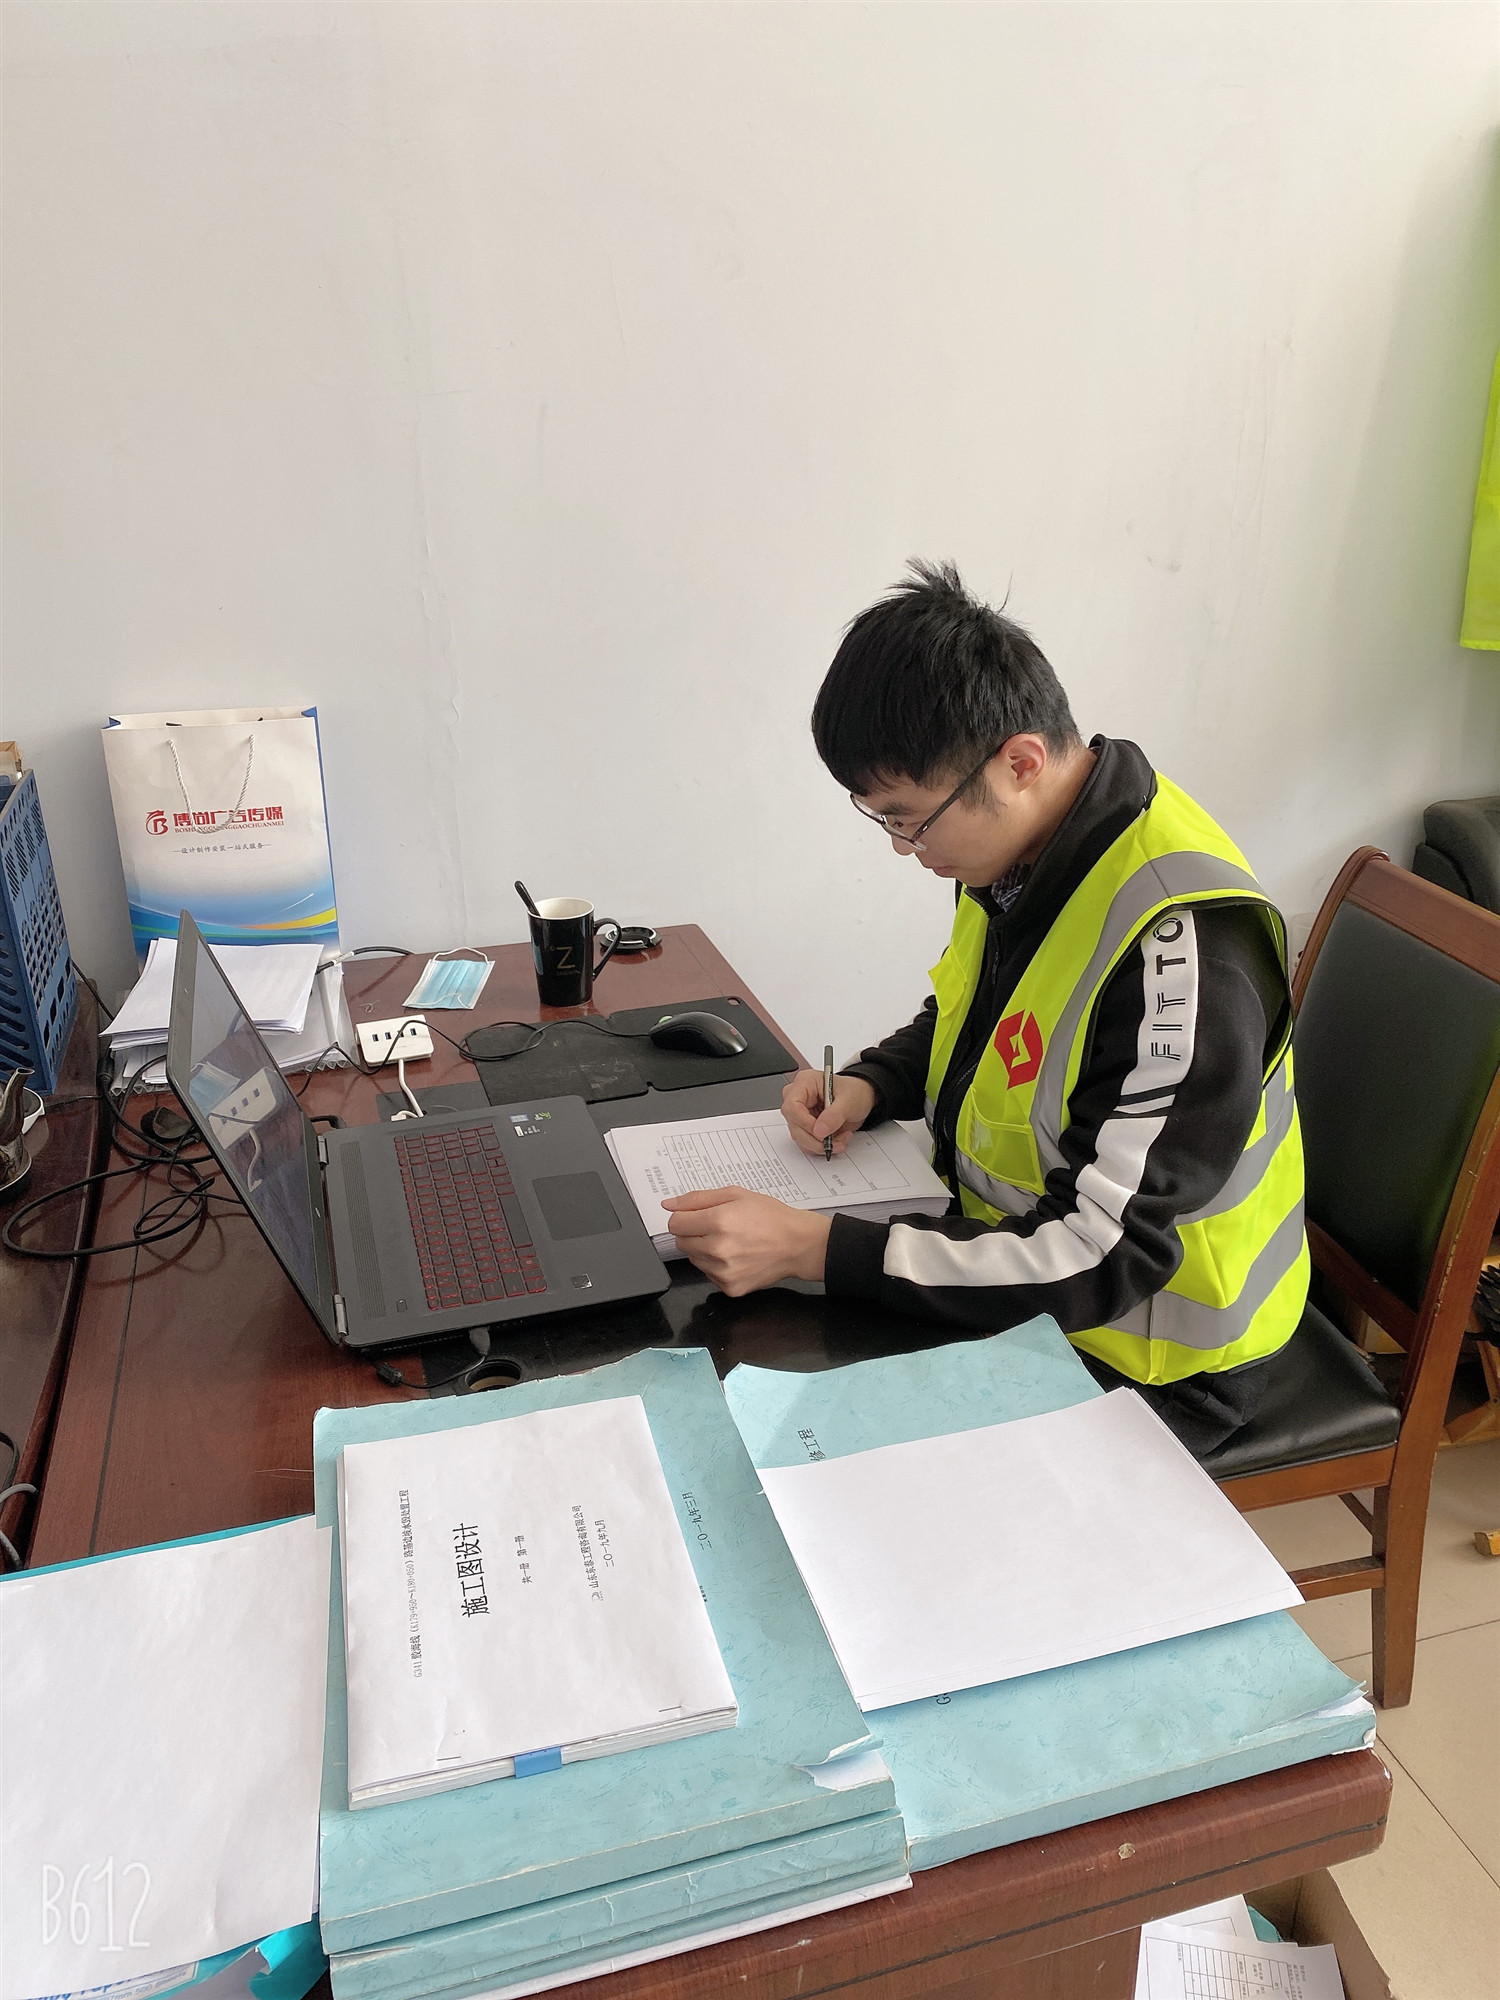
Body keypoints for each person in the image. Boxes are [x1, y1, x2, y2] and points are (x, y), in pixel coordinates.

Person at [664, 561, 1307, 1455]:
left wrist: (816, 1249)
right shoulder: (1022, 851)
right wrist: (874, 1082)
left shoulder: (1181, 948)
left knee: (801, 1451)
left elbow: (1103, 1253)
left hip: (1142, 1352)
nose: (903, 849)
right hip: (1015, 1277)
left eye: (909, 819)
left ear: (1020, 763)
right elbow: (988, 1020)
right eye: (882, 819)